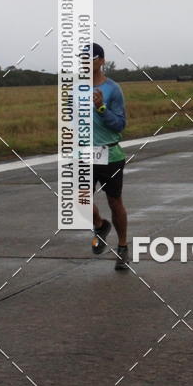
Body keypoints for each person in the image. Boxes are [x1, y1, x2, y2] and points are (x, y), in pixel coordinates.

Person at [88, 43, 130, 270]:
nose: (86, 62)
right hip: (83, 153)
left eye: (91, 58)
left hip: (110, 152)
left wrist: (102, 108)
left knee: (114, 202)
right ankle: (100, 225)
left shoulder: (113, 89)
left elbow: (120, 124)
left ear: (102, 61)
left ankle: (123, 247)